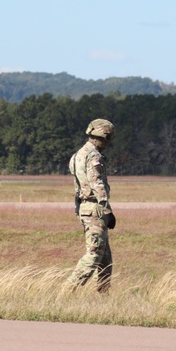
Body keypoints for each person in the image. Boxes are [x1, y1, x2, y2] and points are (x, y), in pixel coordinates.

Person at [68, 118, 116, 292]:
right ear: (100, 136)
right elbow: (96, 182)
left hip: (85, 207)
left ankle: (102, 296)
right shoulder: (94, 156)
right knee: (95, 255)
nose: (108, 143)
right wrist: (106, 208)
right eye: (107, 138)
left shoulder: (77, 155)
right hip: (95, 208)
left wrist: (77, 205)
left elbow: (78, 184)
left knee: (105, 258)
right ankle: (68, 290)